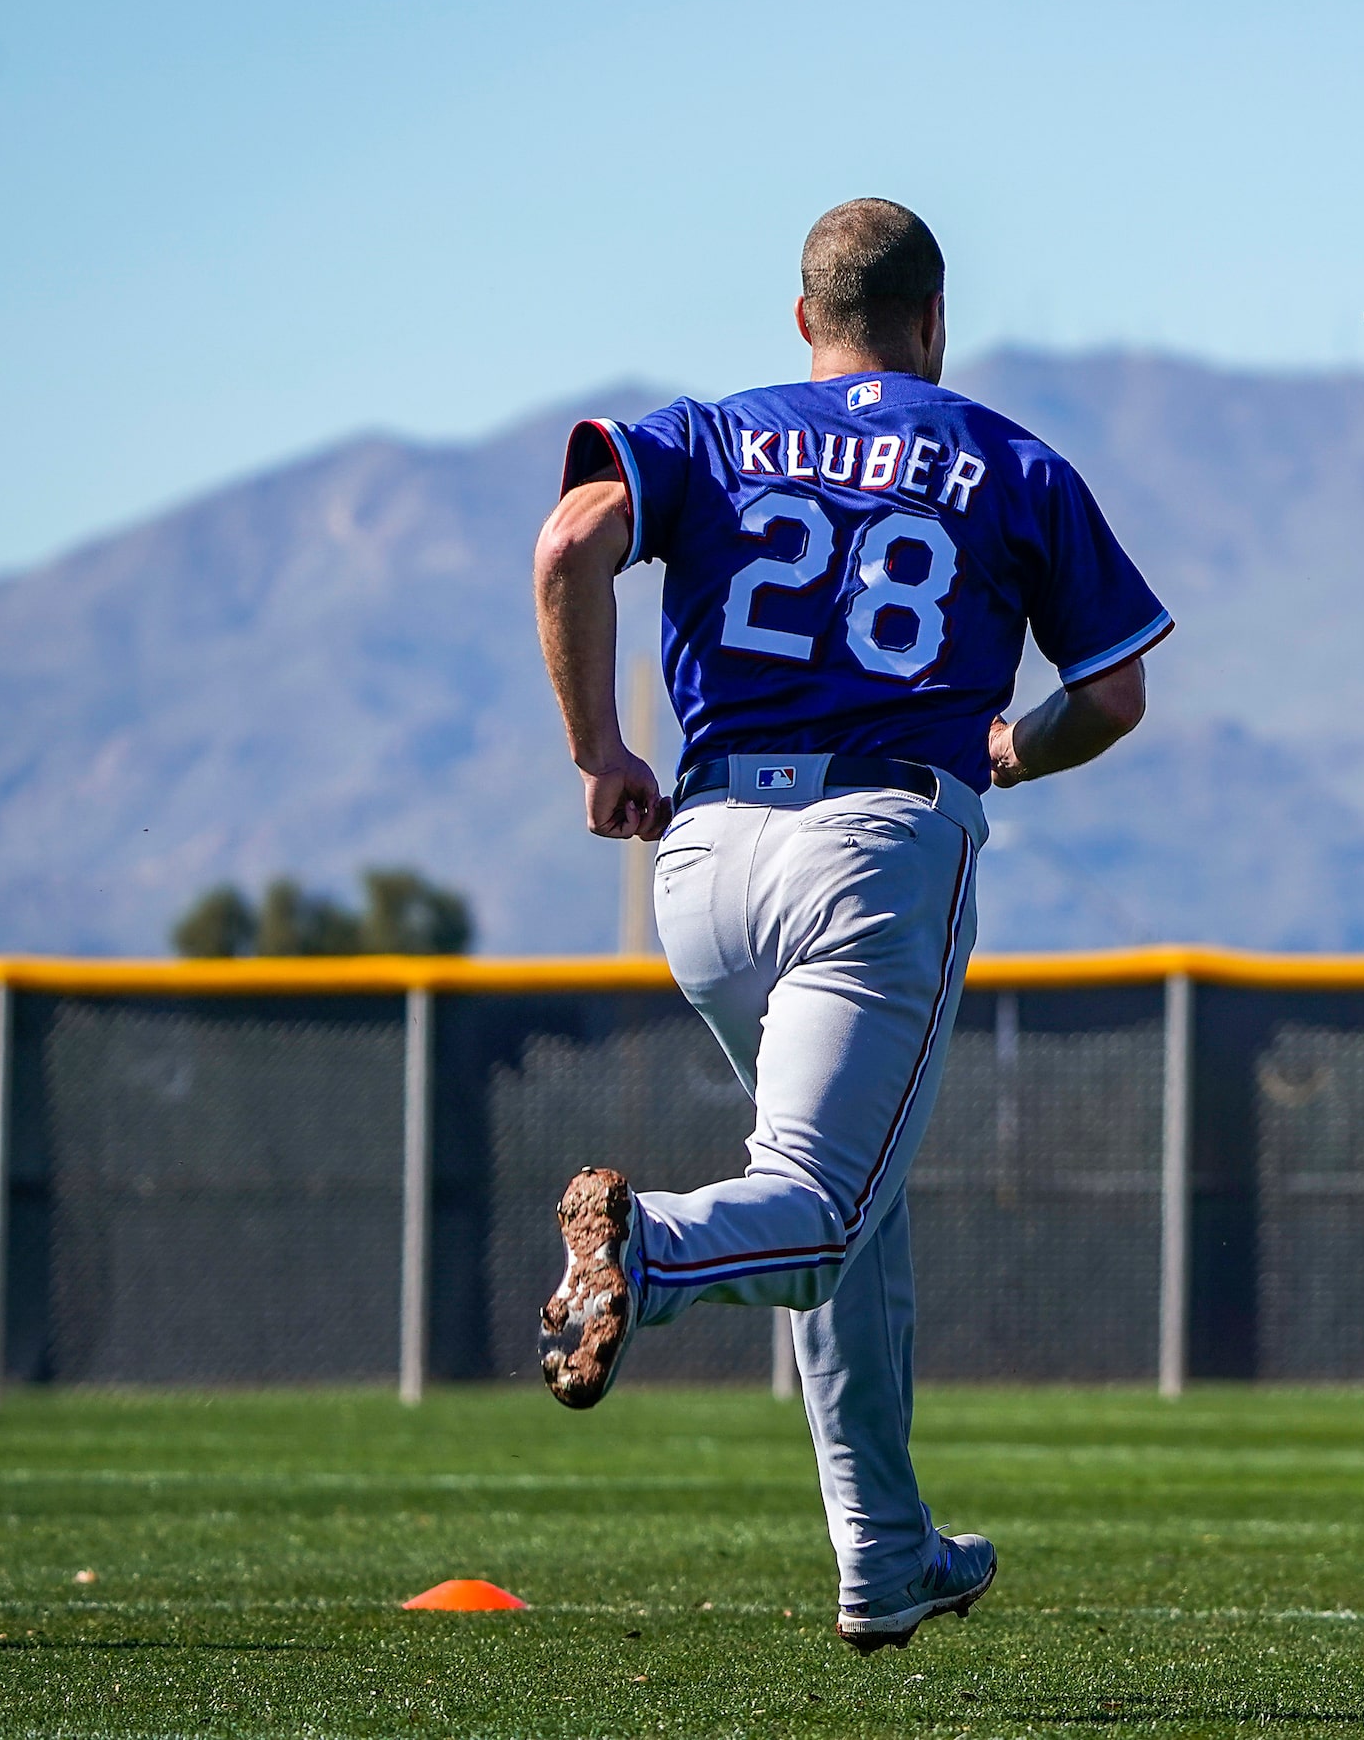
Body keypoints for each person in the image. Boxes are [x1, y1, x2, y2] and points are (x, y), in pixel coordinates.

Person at [529, 198, 1170, 1652]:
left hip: (699, 865)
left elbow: (571, 538)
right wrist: (1017, 746)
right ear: (934, 324)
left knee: (847, 1193)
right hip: (874, 848)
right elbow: (1115, 694)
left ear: (804, 323)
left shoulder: (712, 428)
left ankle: (883, 1553)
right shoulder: (1004, 454)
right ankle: (651, 1248)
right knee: (813, 1216)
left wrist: (595, 753)